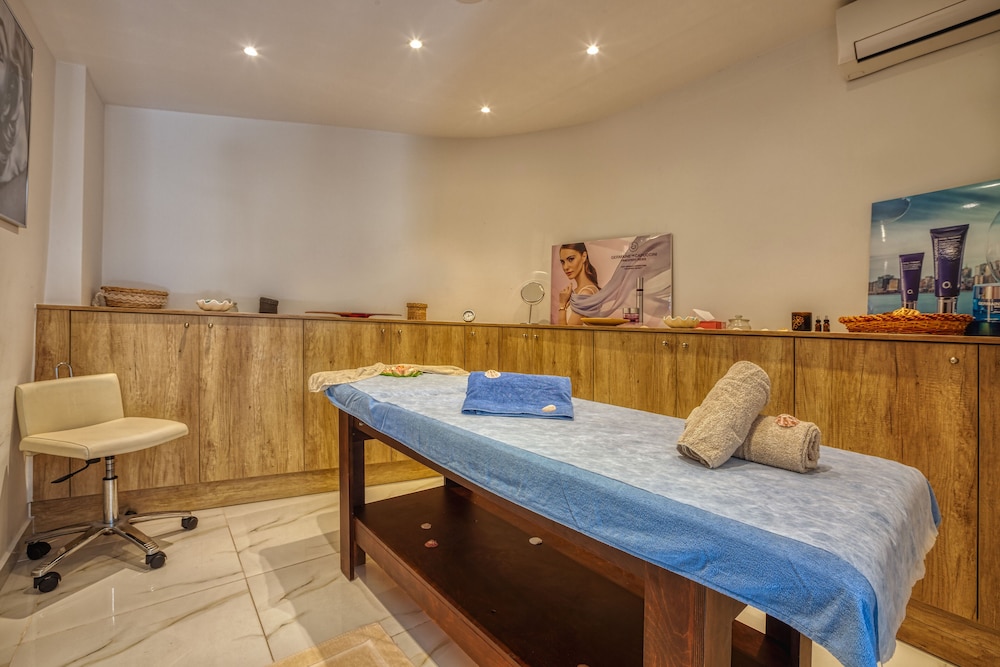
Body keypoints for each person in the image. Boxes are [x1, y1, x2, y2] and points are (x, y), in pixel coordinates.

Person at [557, 242, 600, 325]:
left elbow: (566, 332)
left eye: (571, 259)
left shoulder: (586, 293)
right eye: (562, 262)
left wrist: (562, 305)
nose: (565, 267)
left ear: (584, 256)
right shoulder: (580, 292)